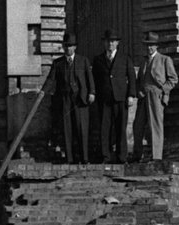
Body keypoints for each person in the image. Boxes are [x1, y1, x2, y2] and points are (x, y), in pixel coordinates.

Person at [134, 31, 179, 162]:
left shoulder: (164, 60)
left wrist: (163, 90)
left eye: (151, 45)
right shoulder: (143, 61)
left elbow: (173, 79)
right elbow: (139, 80)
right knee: (137, 126)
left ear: (156, 46)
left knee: (155, 126)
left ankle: (156, 157)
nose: (149, 48)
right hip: (143, 96)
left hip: (156, 95)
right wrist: (139, 91)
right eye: (147, 45)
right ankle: (137, 155)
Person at [48, 32, 93, 162]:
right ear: (63, 47)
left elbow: (89, 78)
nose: (68, 48)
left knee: (82, 129)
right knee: (67, 129)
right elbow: (51, 80)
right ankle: (70, 159)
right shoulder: (58, 63)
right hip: (65, 99)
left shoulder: (83, 60)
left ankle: (84, 158)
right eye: (66, 46)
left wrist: (92, 92)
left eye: (71, 46)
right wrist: (42, 92)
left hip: (81, 99)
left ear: (75, 47)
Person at [88, 30, 133, 163]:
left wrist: (131, 95)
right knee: (104, 128)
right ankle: (105, 156)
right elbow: (94, 79)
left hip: (121, 98)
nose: (110, 44)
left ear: (117, 43)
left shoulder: (125, 58)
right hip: (104, 99)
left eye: (113, 41)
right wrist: (94, 93)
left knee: (120, 128)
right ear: (104, 43)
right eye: (108, 41)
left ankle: (121, 157)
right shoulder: (98, 59)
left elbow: (131, 77)